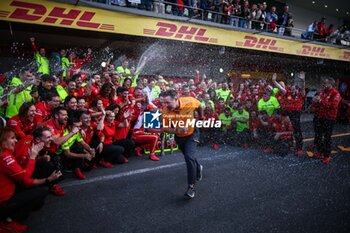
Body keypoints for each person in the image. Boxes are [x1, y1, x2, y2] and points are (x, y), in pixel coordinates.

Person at [0, 127, 61, 232]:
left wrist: (37, 158)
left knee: (46, 165)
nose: (16, 140)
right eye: (12, 138)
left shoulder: (7, 153)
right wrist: (48, 179)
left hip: (12, 185)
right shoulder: (5, 157)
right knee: (40, 193)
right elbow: (24, 178)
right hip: (3, 200)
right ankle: (5, 221)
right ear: (2, 140)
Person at [161, 90, 204, 199]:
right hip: (179, 137)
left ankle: (191, 187)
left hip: (192, 134)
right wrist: (177, 131)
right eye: (164, 102)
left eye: (168, 102)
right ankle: (198, 167)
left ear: (176, 99)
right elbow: (165, 128)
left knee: (189, 157)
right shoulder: (165, 111)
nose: (165, 105)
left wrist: (201, 117)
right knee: (189, 157)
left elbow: (199, 105)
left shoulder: (189, 101)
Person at [309, 78, 341, 164]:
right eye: (323, 83)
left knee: (327, 137)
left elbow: (333, 106)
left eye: (325, 83)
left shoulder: (335, 93)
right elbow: (316, 104)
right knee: (318, 136)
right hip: (319, 117)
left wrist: (320, 101)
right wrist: (314, 101)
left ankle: (327, 156)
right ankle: (320, 152)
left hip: (329, 118)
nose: (323, 85)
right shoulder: (321, 92)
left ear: (331, 84)